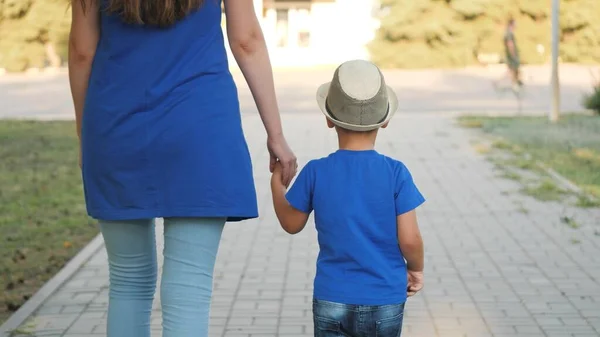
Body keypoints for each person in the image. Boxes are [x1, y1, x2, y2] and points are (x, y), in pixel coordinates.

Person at [68, 0, 297, 336]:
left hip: (116, 127)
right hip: (199, 127)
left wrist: (85, 133)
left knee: (128, 280)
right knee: (188, 287)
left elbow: (81, 52)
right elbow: (246, 40)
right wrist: (275, 134)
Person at [270, 60, 426, 337]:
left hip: (332, 297)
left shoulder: (316, 171)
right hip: (385, 297)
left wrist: (276, 183)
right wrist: (415, 269)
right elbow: (410, 239)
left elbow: (291, 223)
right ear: (385, 120)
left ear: (329, 119)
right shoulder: (396, 173)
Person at [494, 18, 522, 92]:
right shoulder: (508, 33)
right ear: (511, 25)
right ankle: (513, 84)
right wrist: (513, 54)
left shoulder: (508, 33)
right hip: (511, 55)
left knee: (511, 70)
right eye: (515, 24)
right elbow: (510, 44)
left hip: (511, 54)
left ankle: (502, 83)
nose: (516, 26)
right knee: (513, 70)